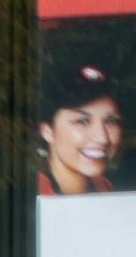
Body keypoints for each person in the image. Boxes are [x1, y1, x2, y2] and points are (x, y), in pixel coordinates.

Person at [37, 62, 125, 196]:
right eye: (82, 121)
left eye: (111, 121)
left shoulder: (105, 188)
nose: (102, 138)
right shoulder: (28, 199)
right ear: (47, 131)